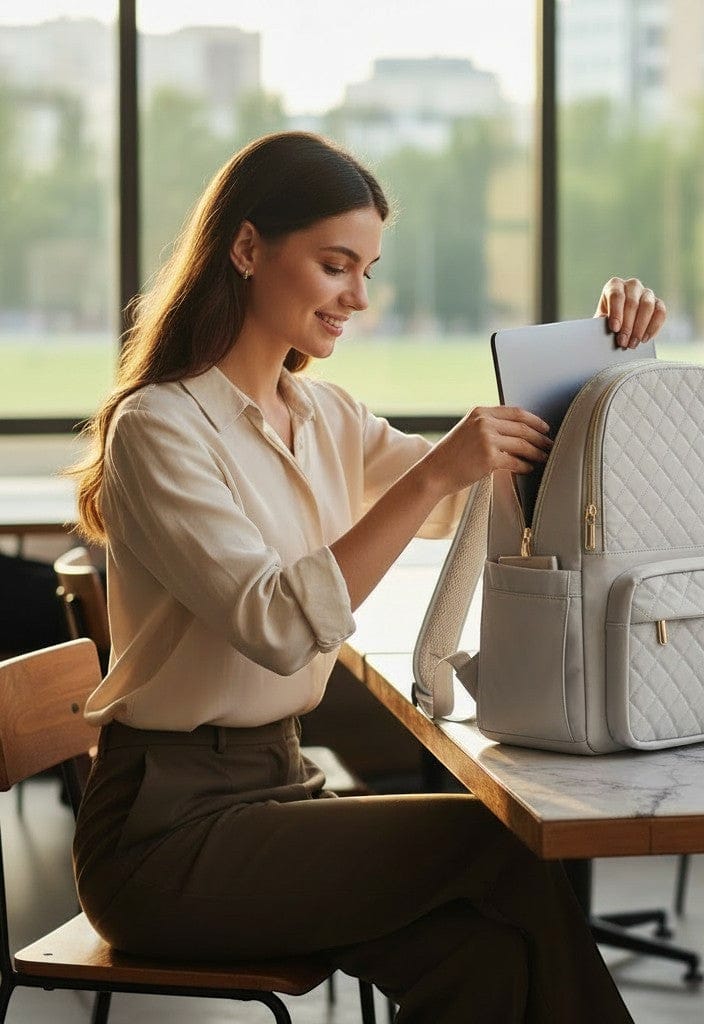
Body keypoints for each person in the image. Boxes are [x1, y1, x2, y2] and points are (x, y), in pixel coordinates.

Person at [69, 130, 666, 1023]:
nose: (356, 296)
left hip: (277, 785)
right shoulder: (158, 428)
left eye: (368, 271)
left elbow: (483, 499)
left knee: (486, 958)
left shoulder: (321, 414)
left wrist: (600, 349)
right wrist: (435, 471)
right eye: (335, 265)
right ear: (245, 249)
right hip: (164, 837)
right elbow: (277, 626)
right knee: (493, 844)